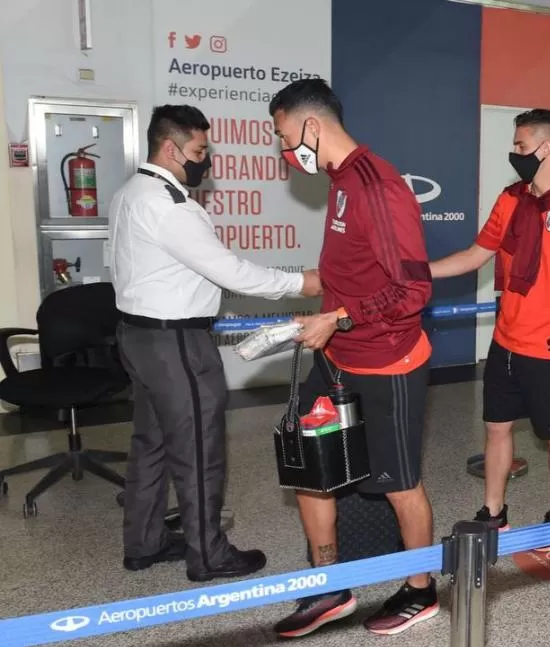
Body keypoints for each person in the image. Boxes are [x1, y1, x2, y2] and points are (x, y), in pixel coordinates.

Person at [109, 105, 321, 581]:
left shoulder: (128, 193)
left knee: (152, 443)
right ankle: (208, 555)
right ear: (170, 148)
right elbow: (230, 271)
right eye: (199, 151)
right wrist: (301, 282)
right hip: (177, 344)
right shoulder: (170, 205)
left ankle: (143, 543)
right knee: (199, 449)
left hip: (137, 337)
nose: (205, 161)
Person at [268, 79, 438, 639]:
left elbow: (412, 291)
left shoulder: (376, 187)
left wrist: (336, 318)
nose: (284, 149)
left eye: (284, 135)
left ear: (312, 126)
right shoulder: (338, 182)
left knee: (399, 483)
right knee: (309, 470)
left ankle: (421, 590)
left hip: (387, 363)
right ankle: (329, 586)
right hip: (337, 357)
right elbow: (349, 274)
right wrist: (309, 307)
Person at [429, 109, 550, 542]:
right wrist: (420, 270)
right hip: (506, 343)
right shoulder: (510, 200)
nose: (515, 153)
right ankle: (494, 512)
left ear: (546, 148)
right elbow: (476, 255)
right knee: (496, 427)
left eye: (520, 145)